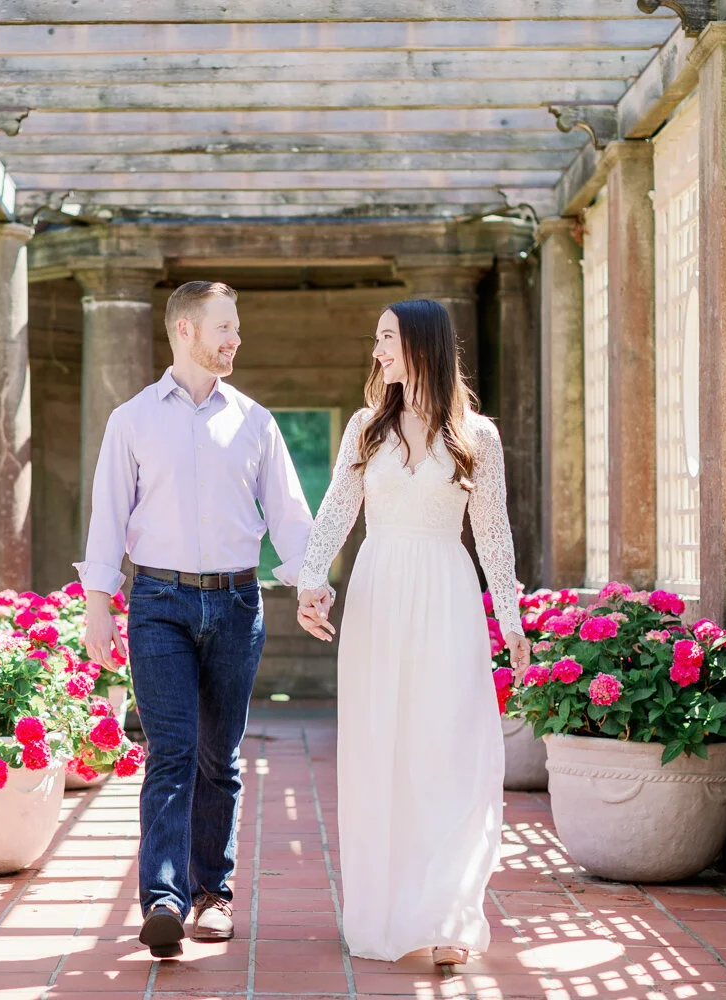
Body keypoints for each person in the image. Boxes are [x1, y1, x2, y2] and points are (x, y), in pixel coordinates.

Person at [78, 280, 314, 959]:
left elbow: (290, 517)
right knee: (172, 752)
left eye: (236, 328)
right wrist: (99, 603)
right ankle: (162, 899)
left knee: (220, 758)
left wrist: (309, 584)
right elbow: (108, 517)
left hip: (239, 604)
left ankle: (214, 896)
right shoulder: (133, 420)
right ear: (184, 329)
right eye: (224, 327)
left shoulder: (256, 422)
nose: (235, 339)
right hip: (159, 605)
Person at [294, 298, 530, 968]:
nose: (377, 353)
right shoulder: (367, 429)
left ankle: (450, 913)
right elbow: (336, 510)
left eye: (388, 339)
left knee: (449, 747)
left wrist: (509, 617)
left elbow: (493, 535)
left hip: (448, 596)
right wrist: (312, 580)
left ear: (423, 344)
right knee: (384, 750)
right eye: (376, 340)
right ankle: (392, 911)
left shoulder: (477, 436)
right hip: (377, 597)